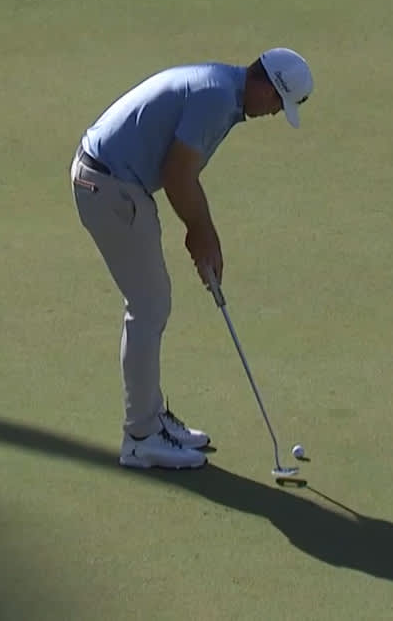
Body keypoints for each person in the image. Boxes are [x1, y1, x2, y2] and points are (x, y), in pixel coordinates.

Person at [71, 47, 314, 470]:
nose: (276, 112)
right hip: (107, 183)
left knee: (153, 303)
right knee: (149, 306)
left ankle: (151, 419)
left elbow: (183, 175)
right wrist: (203, 233)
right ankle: (141, 436)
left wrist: (199, 230)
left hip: (112, 180)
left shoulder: (225, 89)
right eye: (278, 102)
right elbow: (177, 174)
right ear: (265, 85)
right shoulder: (217, 97)